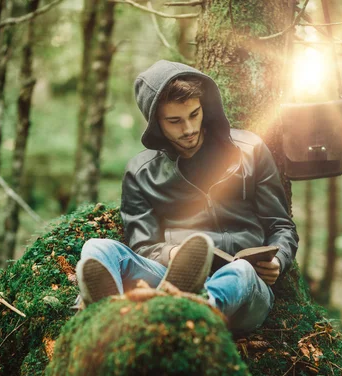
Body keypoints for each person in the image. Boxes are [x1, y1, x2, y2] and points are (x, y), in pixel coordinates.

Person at [76, 60, 299, 335]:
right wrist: (172, 253)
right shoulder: (141, 172)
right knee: (98, 249)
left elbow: (281, 225)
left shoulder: (250, 150)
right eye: (175, 121)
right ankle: (110, 317)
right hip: (169, 279)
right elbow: (143, 246)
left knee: (240, 272)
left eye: (194, 114)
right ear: (156, 124)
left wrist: (279, 261)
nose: (189, 128)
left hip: (244, 289)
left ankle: (185, 317)